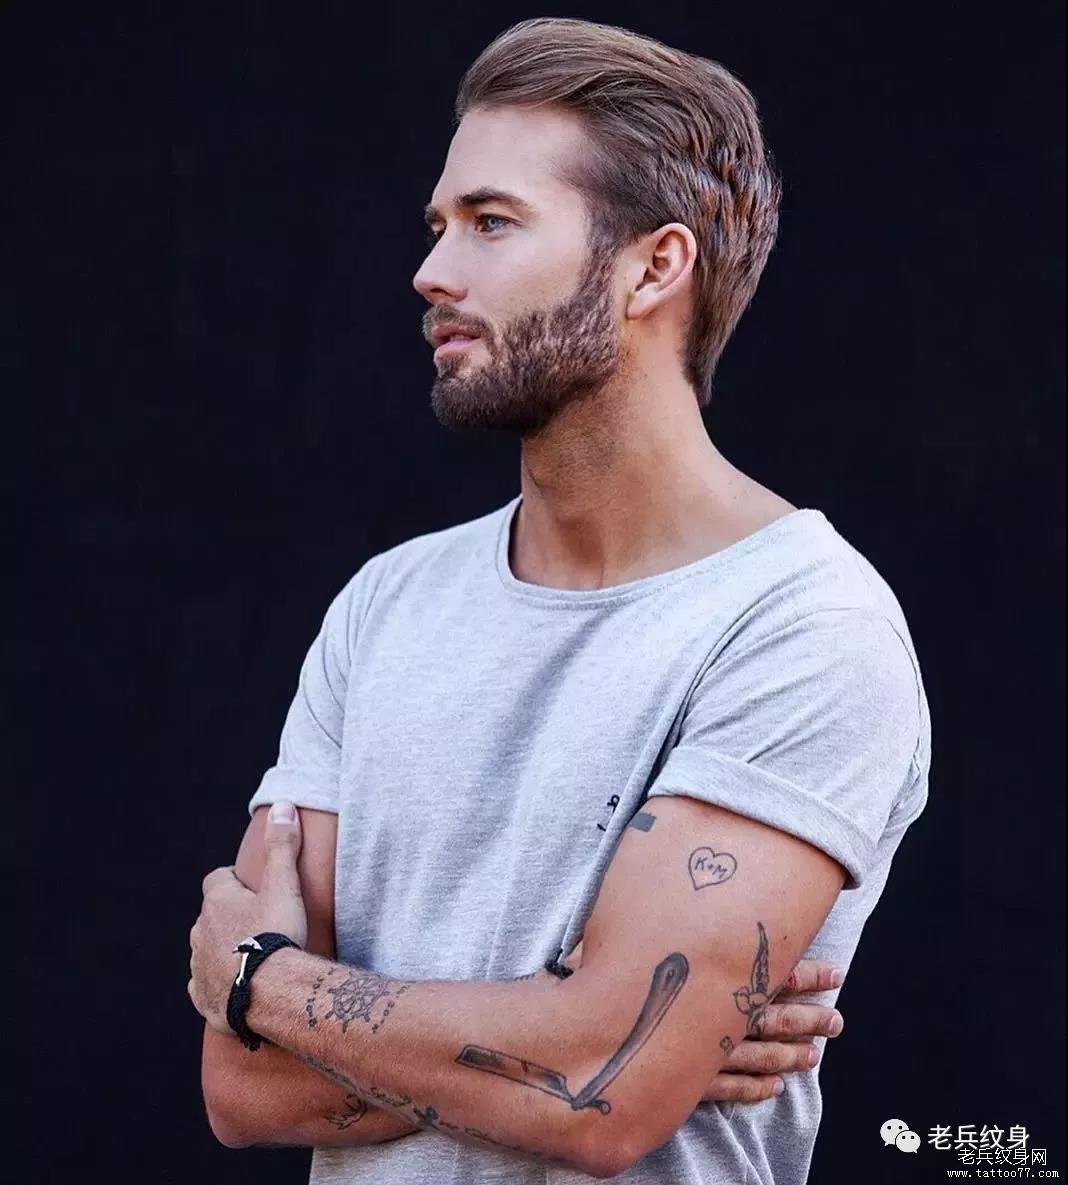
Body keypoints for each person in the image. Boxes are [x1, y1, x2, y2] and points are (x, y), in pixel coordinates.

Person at [194, 17, 930, 1183]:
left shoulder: (802, 625)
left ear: (654, 267)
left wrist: (261, 983)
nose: (433, 272)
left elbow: (603, 1097)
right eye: (438, 227)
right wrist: (574, 1046)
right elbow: (242, 1089)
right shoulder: (385, 606)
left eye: (492, 222)